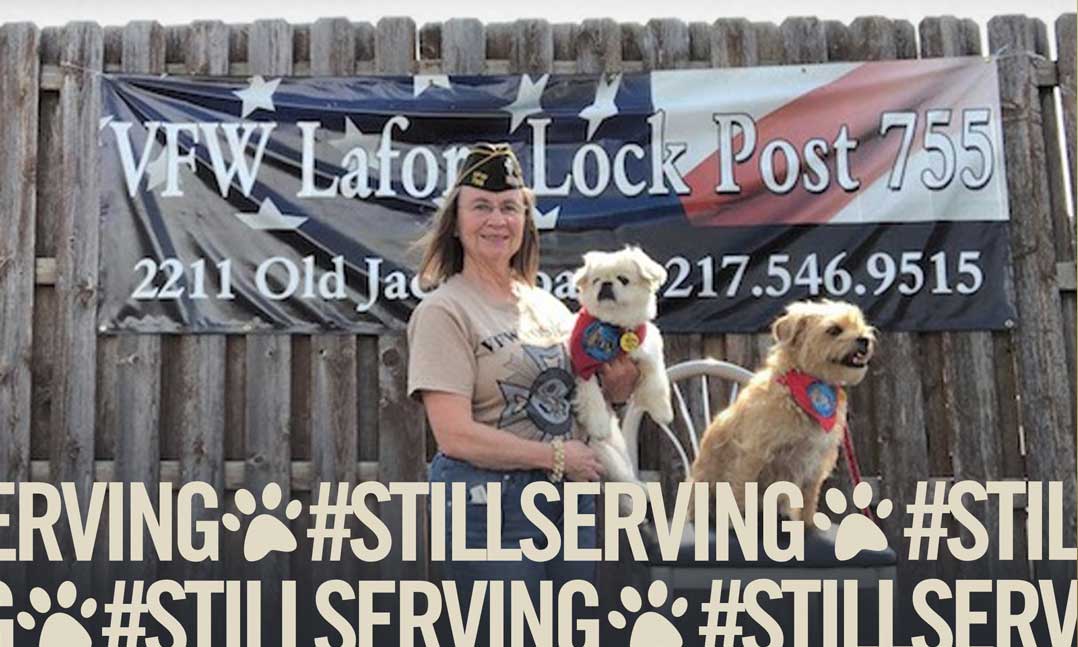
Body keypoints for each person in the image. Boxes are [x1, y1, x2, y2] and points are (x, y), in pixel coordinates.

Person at [406, 142, 639, 645]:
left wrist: (617, 389)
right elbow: (455, 436)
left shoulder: (550, 307)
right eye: (482, 207)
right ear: (456, 222)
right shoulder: (444, 312)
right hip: (488, 506)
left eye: (510, 207)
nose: (497, 220)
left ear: (525, 221)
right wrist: (558, 457)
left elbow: (577, 405)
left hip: (565, 503)